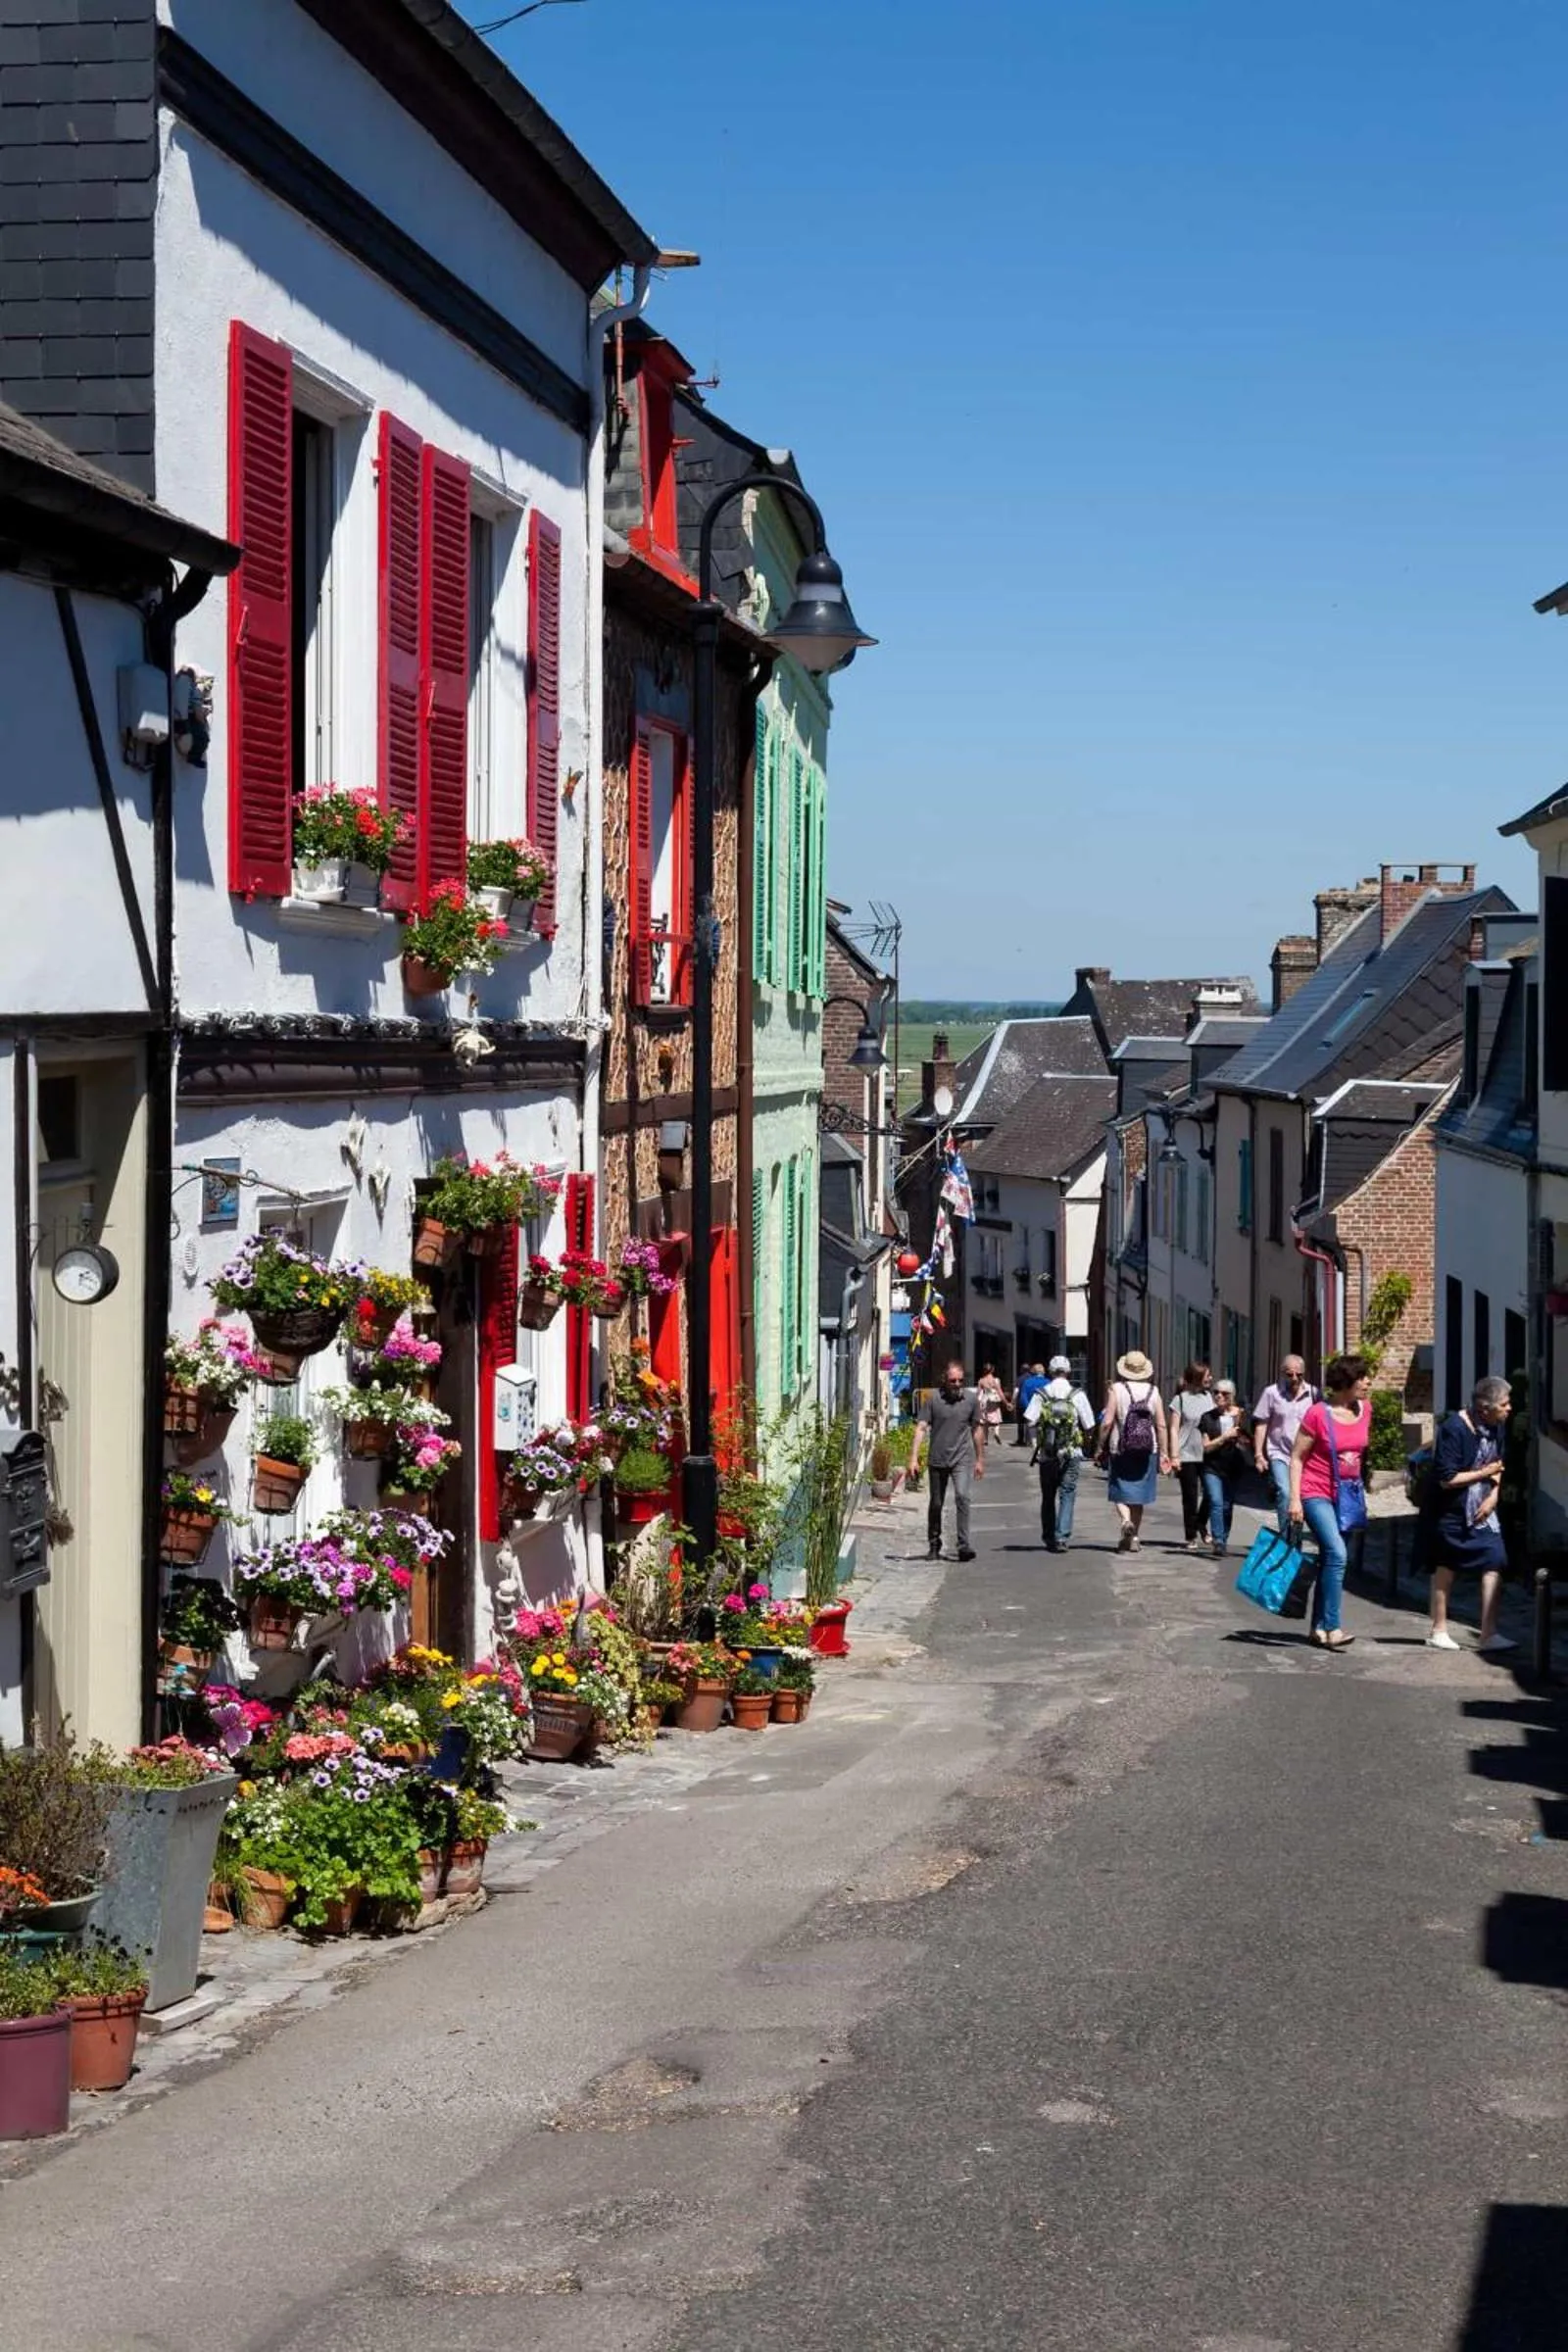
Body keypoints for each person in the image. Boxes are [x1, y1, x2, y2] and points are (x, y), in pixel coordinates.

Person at [1287, 1352, 1372, 1651]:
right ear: (1346, 1382)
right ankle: (1333, 1626)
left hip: (1347, 1497)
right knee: (1337, 1554)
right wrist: (1295, 1499)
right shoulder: (1317, 1415)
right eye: (1362, 1378)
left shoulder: (1366, 1410)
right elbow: (1296, 1458)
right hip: (1315, 1492)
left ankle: (1318, 1628)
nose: (1367, 1382)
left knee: (1329, 1560)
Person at [1427, 1374, 1515, 1654]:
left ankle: (1488, 1632)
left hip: (1482, 1507)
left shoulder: (1496, 1426)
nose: (1509, 1408)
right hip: (1451, 1508)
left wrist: (1493, 1495)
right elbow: (1446, 1479)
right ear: (1484, 1408)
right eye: (1504, 1404)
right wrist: (1483, 1474)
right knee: (1446, 1564)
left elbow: (1498, 1463)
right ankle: (1438, 1629)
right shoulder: (1455, 1429)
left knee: (1495, 1560)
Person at [1098, 1348, 1171, 1553]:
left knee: (1119, 1490)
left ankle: (1125, 1521)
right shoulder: (1153, 1391)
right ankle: (1135, 1536)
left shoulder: (1116, 1389)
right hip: (1148, 1448)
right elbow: (1162, 1425)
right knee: (1139, 1494)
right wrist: (1164, 1452)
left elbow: (1108, 1421)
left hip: (1120, 1447)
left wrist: (1099, 1445)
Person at [910, 1358, 984, 1562]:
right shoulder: (933, 1400)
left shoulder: (970, 1400)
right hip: (938, 1458)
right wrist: (913, 1458)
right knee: (936, 1503)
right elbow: (921, 1428)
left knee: (962, 1496)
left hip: (962, 1458)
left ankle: (963, 1545)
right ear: (945, 1380)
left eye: (960, 1380)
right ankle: (934, 1544)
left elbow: (977, 1430)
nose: (957, 1384)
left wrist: (980, 1460)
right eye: (953, 1381)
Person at [1026, 1353, 1096, 1552]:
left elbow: (1030, 1421)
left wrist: (1035, 1445)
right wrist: (1086, 1442)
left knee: (1048, 1496)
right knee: (1067, 1493)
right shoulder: (1077, 1394)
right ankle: (1062, 1537)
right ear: (1068, 1372)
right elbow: (1089, 1424)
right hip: (1072, 1452)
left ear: (1050, 1371)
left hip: (1048, 1453)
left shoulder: (1042, 1393)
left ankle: (1048, 1536)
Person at [1252, 1355, 1316, 1530]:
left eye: (1299, 1375)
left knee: (1303, 1497)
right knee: (1286, 1493)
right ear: (1282, 1373)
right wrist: (1259, 1454)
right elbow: (1262, 1424)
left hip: (1305, 1456)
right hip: (1279, 1453)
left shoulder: (1314, 1394)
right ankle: (1286, 1537)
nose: (1294, 1378)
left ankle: (1296, 1538)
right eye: (1289, 1374)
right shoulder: (1271, 1393)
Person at [1167, 1361, 1215, 1551]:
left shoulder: (1209, 1398)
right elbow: (1173, 1429)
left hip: (1207, 1451)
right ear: (1197, 1378)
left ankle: (1201, 1522)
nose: (1211, 1378)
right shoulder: (1180, 1399)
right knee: (1190, 1496)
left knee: (1212, 1493)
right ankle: (1191, 1536)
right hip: (1186, 1453)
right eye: (1207, 1375)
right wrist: (1174, 1455)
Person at [1200, 1377, 1246, 1556]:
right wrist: (1225, 1437)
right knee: (1216, 1501)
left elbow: (1249, 1440)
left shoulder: (1242, 1416)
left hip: (1234, 1466)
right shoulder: (1207, 1418)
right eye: (1216, 1392)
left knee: (1227, 1504)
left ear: (1232, 1396)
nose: (1219, 1396)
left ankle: (1224, 1538)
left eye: (1224, 1393)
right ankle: (1218, 1540)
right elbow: (1206, 1447)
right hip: (1212, 1466)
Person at [1014, 1361, 1049, 1447]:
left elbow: (1023, 1398)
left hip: (1031, 1411)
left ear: (1033, 1371)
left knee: (1032, 1431)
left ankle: (1032, 1445)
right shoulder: (1048, 1382)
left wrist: (1028, 1409)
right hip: (1045, 1410)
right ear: (1043, 1371)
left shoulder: (1027, 1382)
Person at [975, 1364, 1007, 1455]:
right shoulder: (995, 1380)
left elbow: (978, 1393)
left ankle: (985, 1439)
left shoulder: (981, 1380)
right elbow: (1000, 1392)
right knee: (996, 1419)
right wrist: (1006, 1402)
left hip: (986, 1401)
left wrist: (976, 1403)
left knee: (986, 1421)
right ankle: (996, 1433)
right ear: (992, 1370)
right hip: (994, 1401)